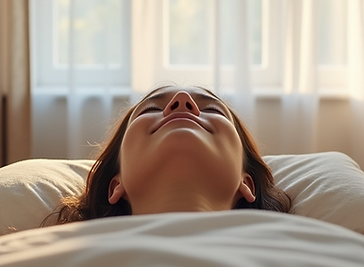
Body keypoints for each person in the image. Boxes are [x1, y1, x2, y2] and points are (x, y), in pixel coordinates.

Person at [45, 85, 291, 225]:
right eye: (151, 109)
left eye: (213, 110)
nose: (181, 101)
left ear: (246, 183)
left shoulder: (314, 252)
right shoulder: (41, 260)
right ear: (115, 185)